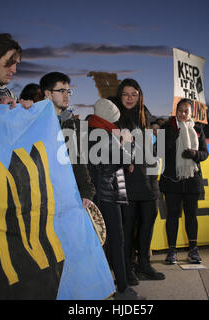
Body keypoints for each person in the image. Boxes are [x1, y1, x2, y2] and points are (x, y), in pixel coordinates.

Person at [87, 98, 144, 300]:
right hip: (106, 194)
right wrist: (129, 144)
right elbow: (120, 160)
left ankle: (112, 286)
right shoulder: (100, 133)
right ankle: (121, 288)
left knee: (110, 241)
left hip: (107, 192)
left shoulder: (100, 131)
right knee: (114, 240)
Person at [110, 78, 165, 284]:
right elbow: (110, 150)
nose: (130, 98)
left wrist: (156, 135)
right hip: (127, 180)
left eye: (134, 94)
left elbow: (153, 147)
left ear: (140, 95)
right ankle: (126, 267)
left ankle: (144, 263)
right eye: (125, 94)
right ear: (120, 96)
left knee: (147, 224)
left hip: (149, 179)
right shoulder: (115, 118)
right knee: (128, 226)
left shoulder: (146, 115)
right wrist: (124, 153)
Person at [159, 99, 209, 264]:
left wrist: (195, 154)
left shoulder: (198, 129)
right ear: (176, 111)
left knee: (191, 216)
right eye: (180, 110)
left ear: (191, 113)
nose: (182, 114)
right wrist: (171, 140)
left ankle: (193, 250)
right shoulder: (167, 128)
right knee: (172, 215)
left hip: (191, 180)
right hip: (172, 180)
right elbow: (159, 152)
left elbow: (204, 154)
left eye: (186, 111)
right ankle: (171, 251)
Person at [40, 72, 95, 208]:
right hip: (41, 193)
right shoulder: (37, 121)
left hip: (68, 194)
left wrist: (87, 190)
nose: (66, 95)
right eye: (61, 91)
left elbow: (77, 159)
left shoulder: (72, 124)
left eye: (68, 91)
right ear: (48, 94)